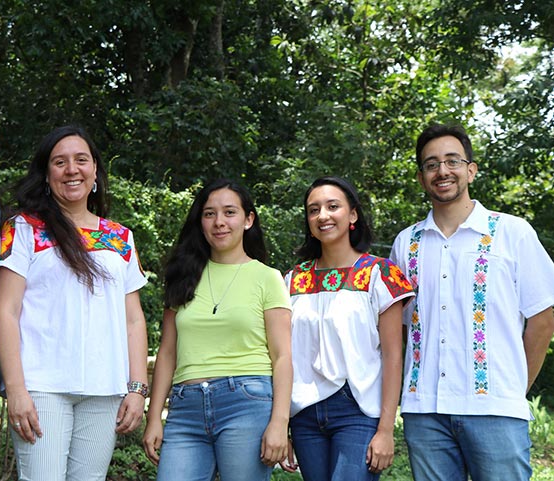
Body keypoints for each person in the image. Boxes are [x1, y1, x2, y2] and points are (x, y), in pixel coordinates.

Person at [390, 123, 554, 481]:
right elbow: (400, 329)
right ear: (421, 178)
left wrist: (514, 387)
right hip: (425, 410)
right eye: (431, 164)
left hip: (496, 407)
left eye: (452, 161)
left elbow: (543, 318)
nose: (442, 171)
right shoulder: (406, 244)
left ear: (471, 170)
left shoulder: (512, 232)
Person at [0, 124, 149, 481]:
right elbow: (6, 309)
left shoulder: (120, 237)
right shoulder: (23, 229)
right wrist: (15, 389)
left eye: (81, 160)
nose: (72, 169)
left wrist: (137, 389)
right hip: (42, 387)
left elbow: (133, 320)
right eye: (60, 162)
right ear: (47, 175)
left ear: (95, 170)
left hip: (105, 388)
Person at [142, 179, 292, 481]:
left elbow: (283, 356)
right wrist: (154, 417)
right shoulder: (183, 276)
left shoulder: (268, 277)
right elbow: (168, 352)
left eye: (229, 212)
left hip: (246, 402)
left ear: (248, 220)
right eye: (209, 214)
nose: (219, 222)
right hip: (185, 408)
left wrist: (279, 422)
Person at [280, 176, 414, 481]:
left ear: (352, 214)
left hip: (357, 409)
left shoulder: (379, 273)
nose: (322, 215)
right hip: (304, 413)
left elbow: (393, 356)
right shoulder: (292, 280)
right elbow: (282, 355)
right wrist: (282, 424)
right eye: (313, 210)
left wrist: (385, 429)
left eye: (332, 206)